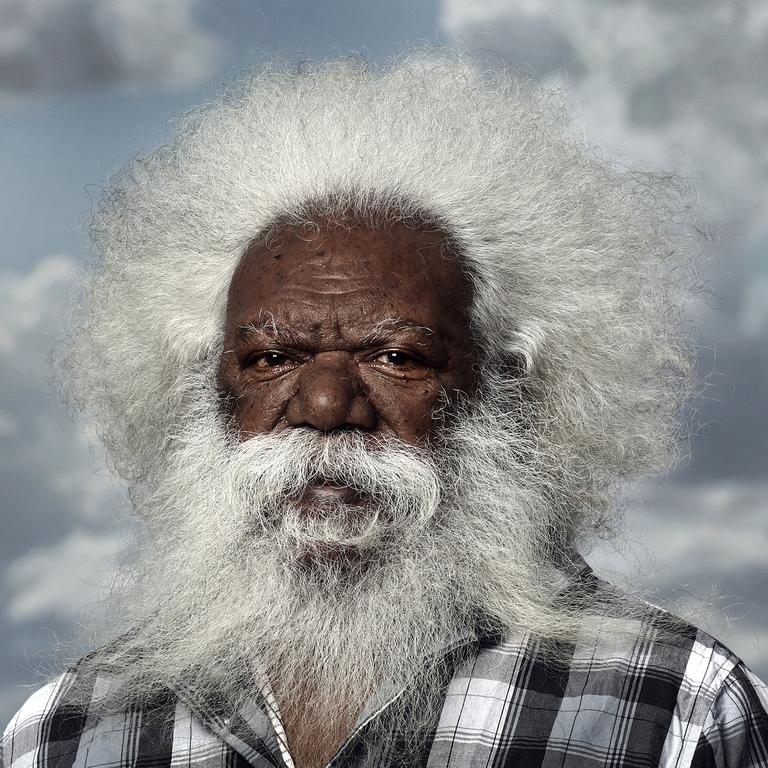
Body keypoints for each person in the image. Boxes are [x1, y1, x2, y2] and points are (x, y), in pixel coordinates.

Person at [3, 51, 767, 768]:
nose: (327, 406)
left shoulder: (672, 708)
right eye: (272, 360)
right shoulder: (69, 733)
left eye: (397, 356)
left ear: (508, 393)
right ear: (205, 394)